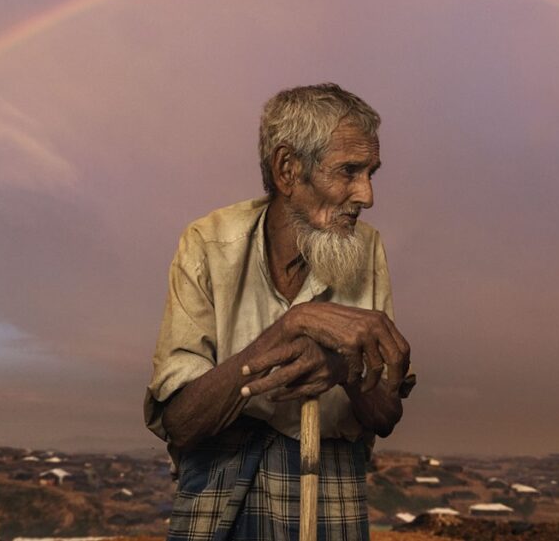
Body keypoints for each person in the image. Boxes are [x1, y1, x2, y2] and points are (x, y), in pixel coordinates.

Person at [145, 83, 414, 541]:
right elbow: (181, 423)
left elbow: (384, 415)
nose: (366, 195)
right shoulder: (207, 243)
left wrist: (343, 369)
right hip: (218, 480)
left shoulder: (367, 249)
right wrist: (291, 325)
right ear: (288, 169)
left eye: (371, 173)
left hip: (329, 479)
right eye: (348, 171)